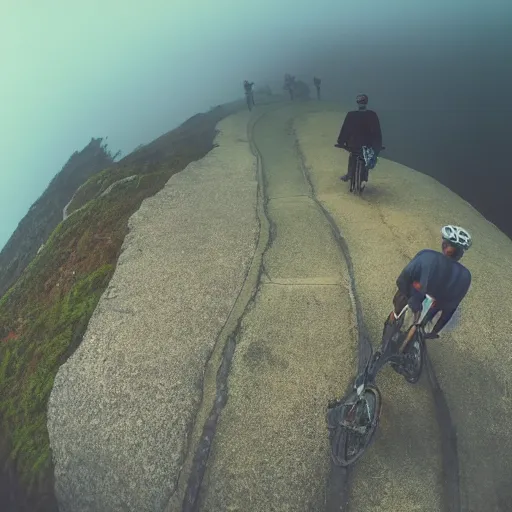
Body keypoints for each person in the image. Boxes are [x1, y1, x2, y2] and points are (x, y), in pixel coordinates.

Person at [392, 225, 472, 339]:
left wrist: (409, 296)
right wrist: (436, 330)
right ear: (460, 254)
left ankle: (393, 318)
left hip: (414, 300)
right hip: (435, 313)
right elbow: (452, 306)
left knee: (401, 294)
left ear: (445, 246)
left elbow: (402, 280)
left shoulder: (426, 255)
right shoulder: (466, 275)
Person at [337, 94, 382, 183]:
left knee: (352, 156)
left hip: (353, 144)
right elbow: (377, 132)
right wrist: (378, 145)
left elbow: (345, 130)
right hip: (367, 144)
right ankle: (362, 175)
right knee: (367, 158)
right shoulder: (372, 115)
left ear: (357, 103)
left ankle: (349, 174)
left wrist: (341, 141)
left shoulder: (351, 115)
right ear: (366, 102)